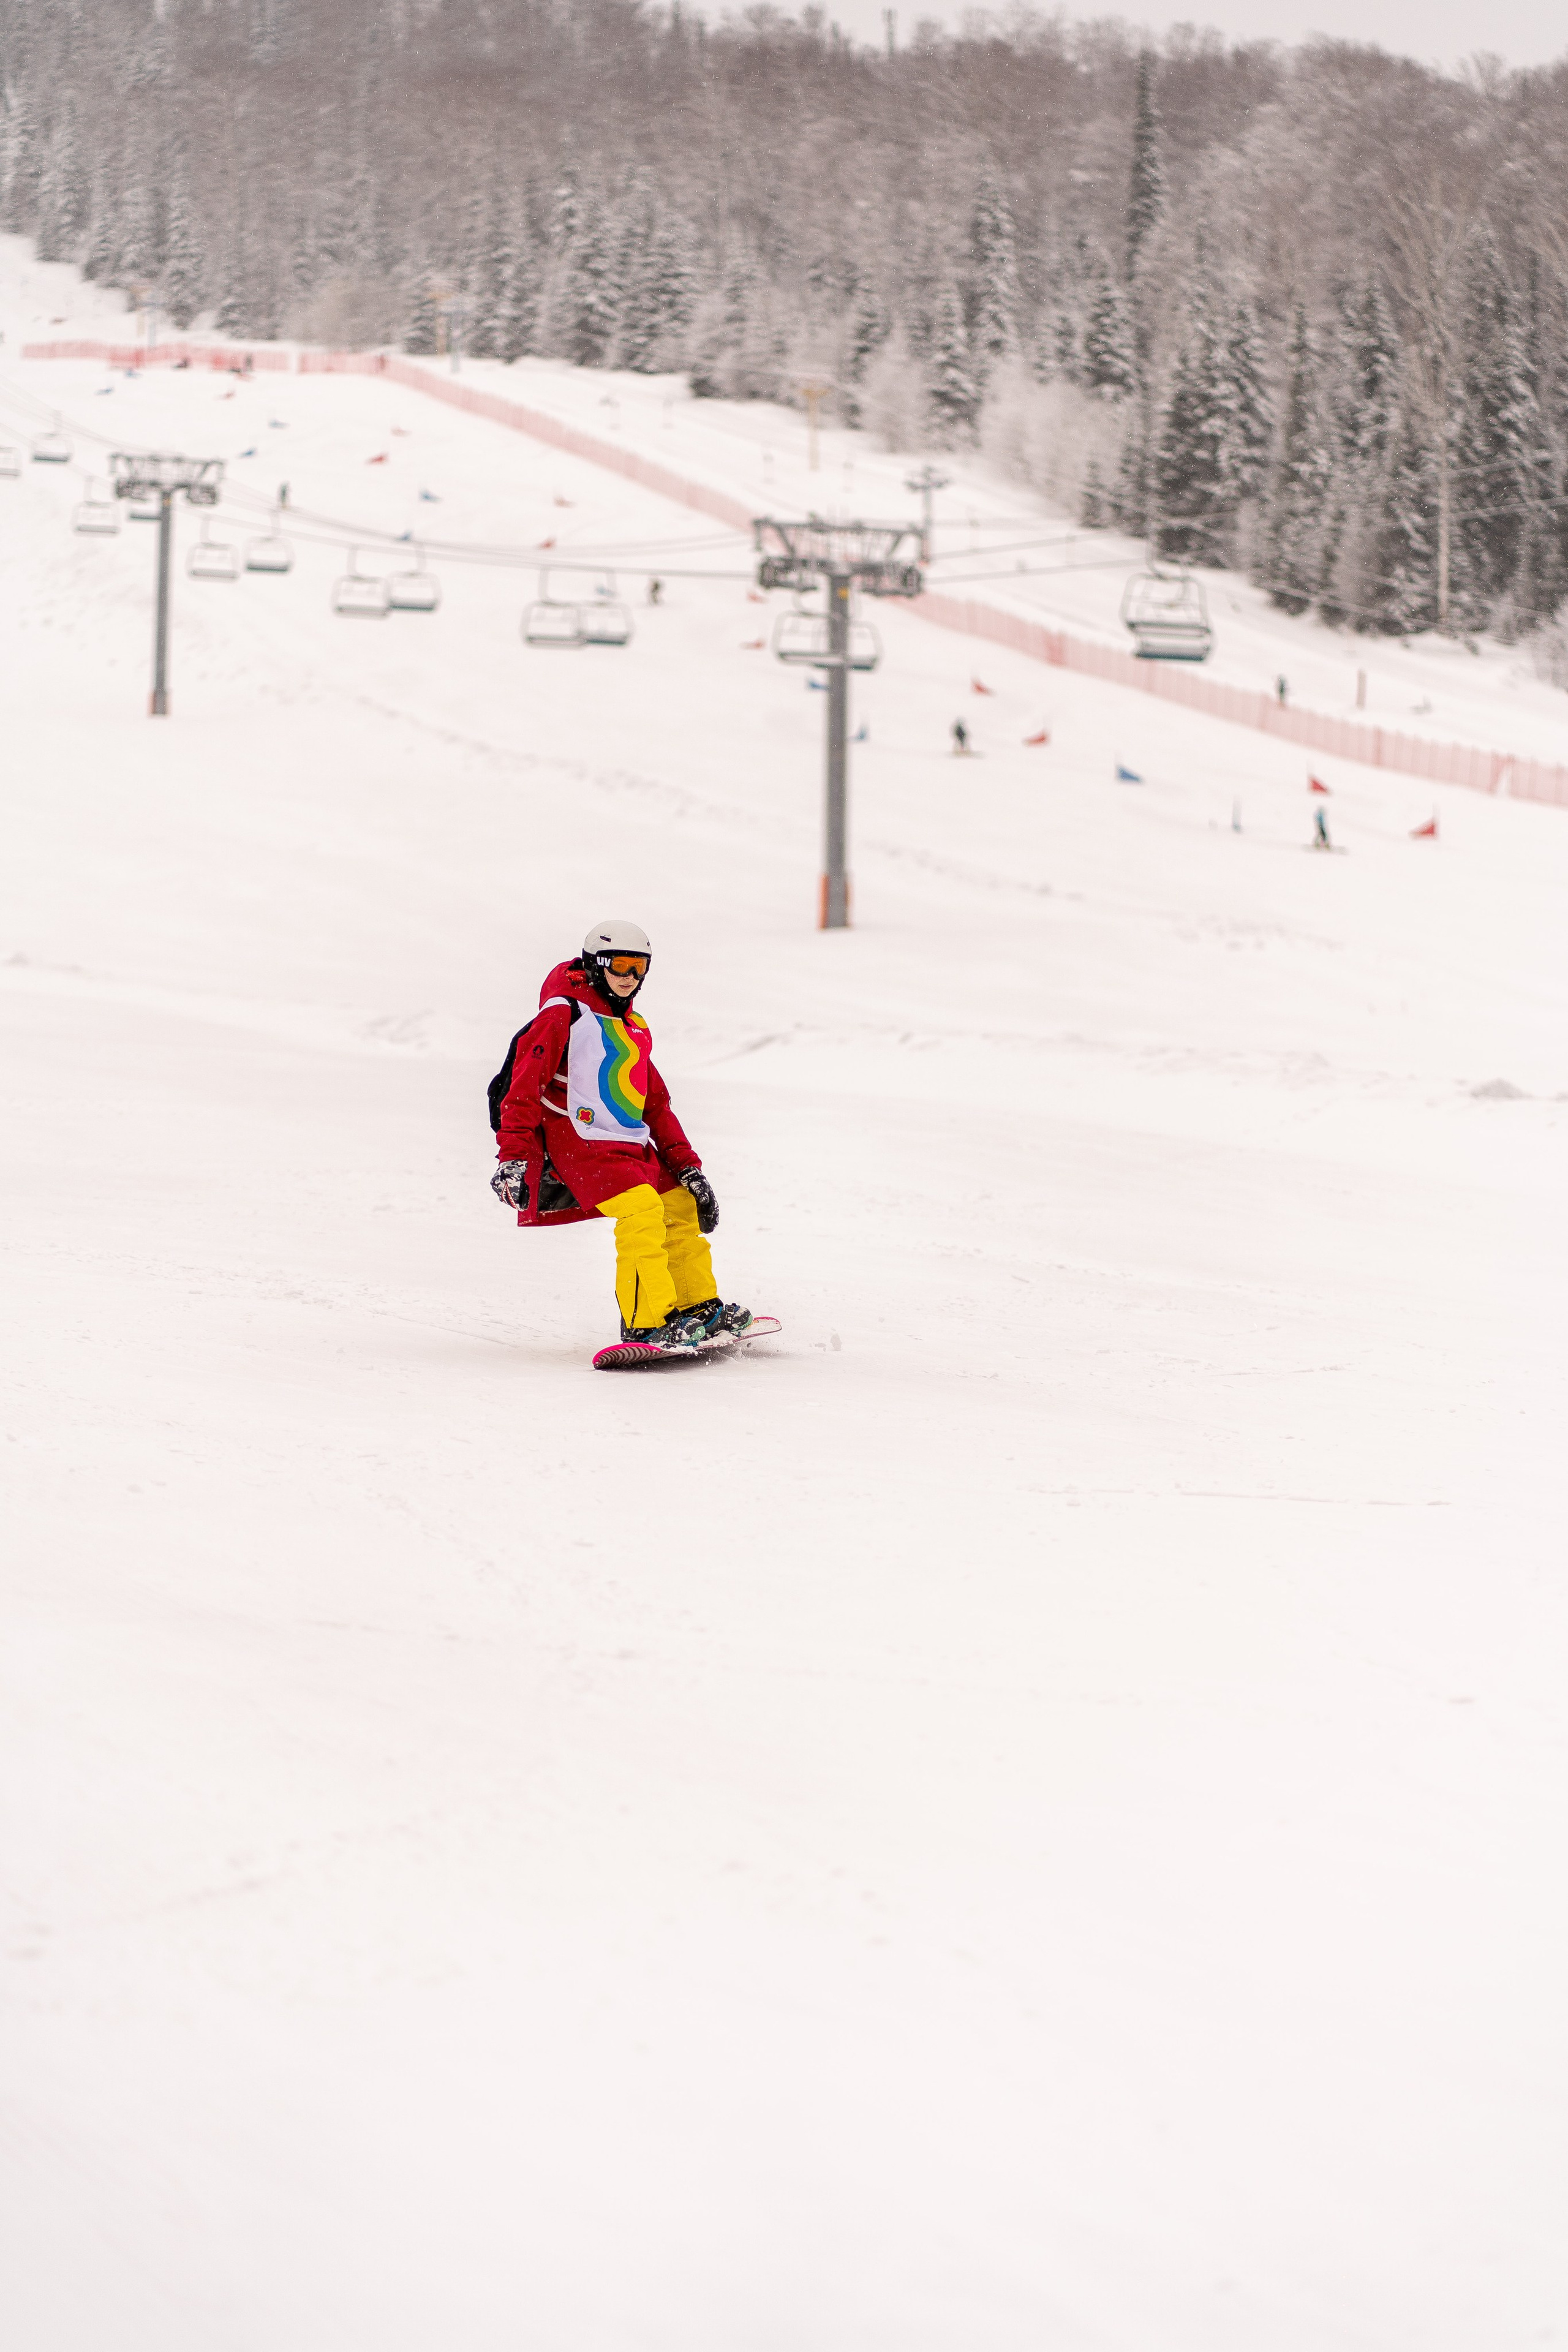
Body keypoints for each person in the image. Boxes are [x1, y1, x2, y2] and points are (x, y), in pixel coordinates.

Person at [492, 921, 755, 1355]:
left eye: (639, 967)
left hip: (630, 1143)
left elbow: (655, 1103)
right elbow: (522, 1088)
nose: (630, 977)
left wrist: (688, 1167)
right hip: (579, 1141)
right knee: (641, 1210)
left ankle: (697, 1306)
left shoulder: (630, 1024)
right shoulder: (563, 1014)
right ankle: (647, 1323)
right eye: (621, 965)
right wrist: (513, 1157)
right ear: (597, 965)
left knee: (678, 1206)